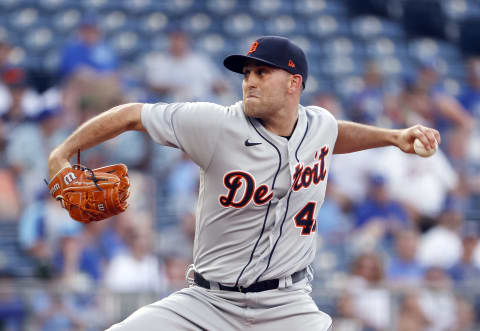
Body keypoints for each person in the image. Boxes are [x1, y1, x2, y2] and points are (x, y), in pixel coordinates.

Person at [48, 36, 440, 330]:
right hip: (207, 301)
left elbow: (335, 134)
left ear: (294, 83)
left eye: (262, 72)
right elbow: (133, 114)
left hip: (287, 304)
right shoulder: (214, 123)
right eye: (247, 73)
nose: (249, 81)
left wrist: (393, 137)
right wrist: (62, 153)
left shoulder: (318, 123)